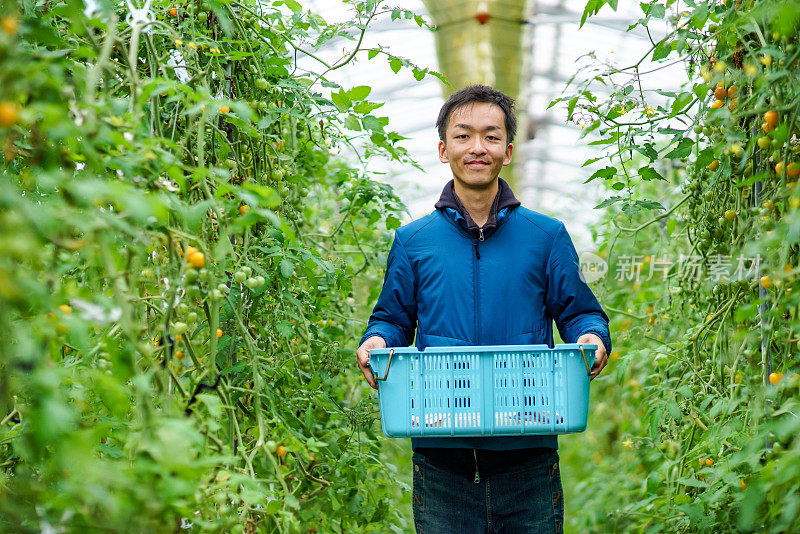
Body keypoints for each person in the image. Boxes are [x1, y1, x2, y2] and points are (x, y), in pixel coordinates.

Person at [355, 84, 611, 534]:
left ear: (508, 150)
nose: (478, 148)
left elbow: (579, 312)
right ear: (442, 148)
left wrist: (591, 337)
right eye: (463, 136)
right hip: (439, 454)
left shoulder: (545, 236)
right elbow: (392, 319)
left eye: (492, 137)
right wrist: (376, 341)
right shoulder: (413, 242)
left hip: (528, 450)